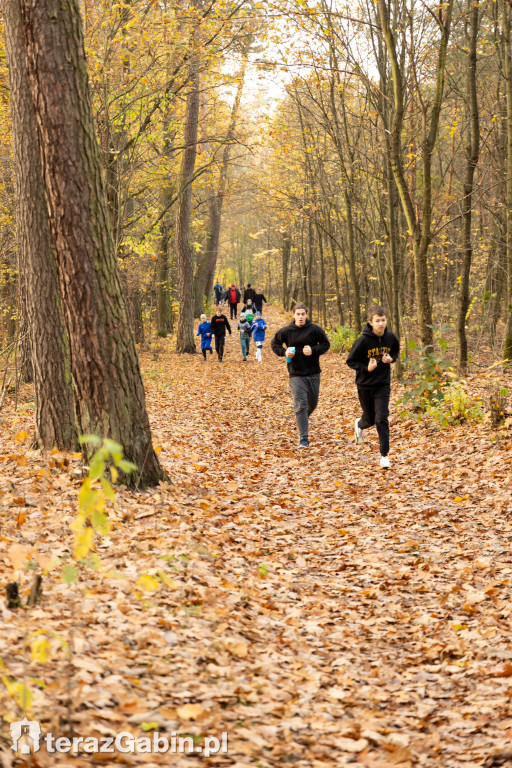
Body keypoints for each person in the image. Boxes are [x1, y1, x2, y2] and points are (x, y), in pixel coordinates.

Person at [346, 305, 400, 469]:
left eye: (383, 320)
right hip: (365, 385)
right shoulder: (362, 341)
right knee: (369, 419)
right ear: (371, 322)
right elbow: (350, 361)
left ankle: (384, 455)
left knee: (381, 418)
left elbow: (396, 352)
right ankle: (359, 425)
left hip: (382, 384)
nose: (381, 324)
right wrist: (365, 368)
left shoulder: (390, 338)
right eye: (378, 321)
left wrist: (391, 359)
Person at [271, 303, 330, 448]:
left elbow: (325, 344)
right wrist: (284, 352)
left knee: (312, 404)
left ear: (307, 315)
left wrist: (313, 350)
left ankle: (302, 417)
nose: (300, 317)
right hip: (296, 373)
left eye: (303, 314)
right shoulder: (286, 331)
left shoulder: (315, 329)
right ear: (293, 315)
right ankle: (304, 439)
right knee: (301, 405)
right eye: (298, 314)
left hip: (313, 372)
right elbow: (274, 344)